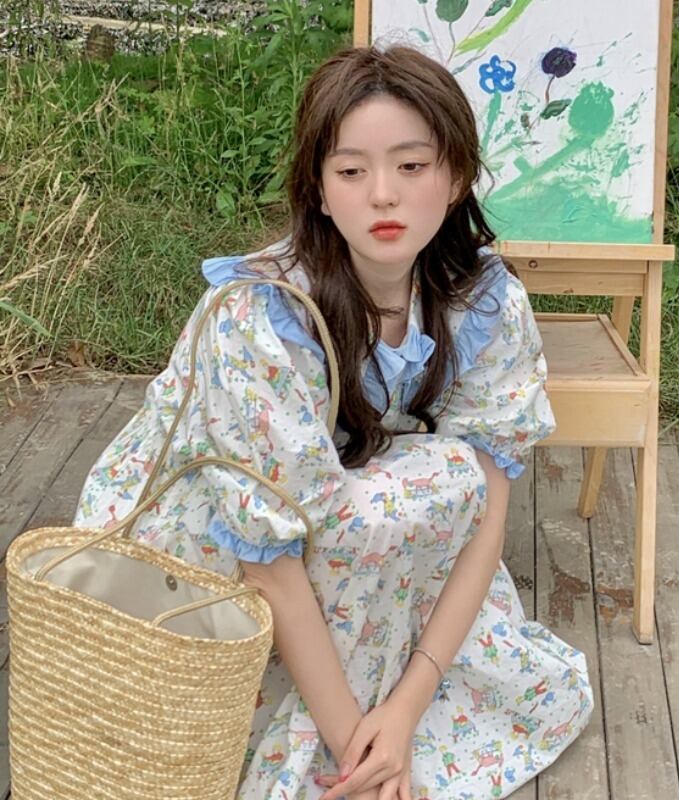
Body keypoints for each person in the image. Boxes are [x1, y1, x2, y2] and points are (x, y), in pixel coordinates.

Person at [74, 44, 593, 800]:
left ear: (455, 177)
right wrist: (359, 753)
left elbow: (487, 507)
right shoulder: (261, 315)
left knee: (451, 484)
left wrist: (407, 708)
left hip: (341, 516)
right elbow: (266, 555)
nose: (383, 195)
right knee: (382, 505)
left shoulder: (480, 299)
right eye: (351, 171)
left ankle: (373, 707)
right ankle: (330, 732)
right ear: (318, 190)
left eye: (411, 166)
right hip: (203, 543)